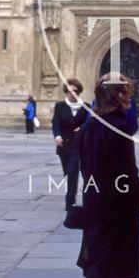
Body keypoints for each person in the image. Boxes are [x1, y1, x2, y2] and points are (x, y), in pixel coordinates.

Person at [75, 73, 139, 278]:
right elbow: (127, 169)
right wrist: (137, 194)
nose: (130, 97)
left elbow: (83, 164)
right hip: (115, 198)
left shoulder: (88, 126)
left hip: (93, 194)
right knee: (108, 249)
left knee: (93, 246)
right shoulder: (119, 128)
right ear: (116, 95)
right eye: (126, 92)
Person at [51, 78, 88, 211]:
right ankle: (71, 195)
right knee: (67, 173)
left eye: (75, 91)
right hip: (63, 145)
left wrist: (82, 128)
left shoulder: (86, 107)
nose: (72, 93)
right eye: (69, 91)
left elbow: (90, 122)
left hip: (78, 146)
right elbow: (55, 123)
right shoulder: (59, 106)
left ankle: (70, 203)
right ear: (66, 91)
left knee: (73, 172)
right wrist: (57, 136)